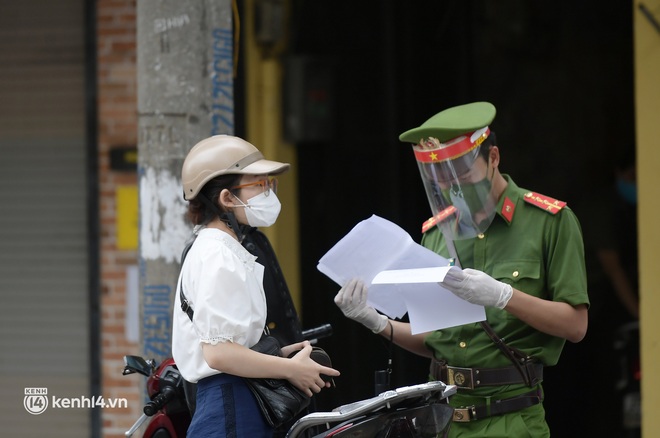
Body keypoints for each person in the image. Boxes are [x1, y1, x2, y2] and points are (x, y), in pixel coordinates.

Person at [334, 102, 589, 437]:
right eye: (439, 177)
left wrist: (503, 295)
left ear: (493, 157)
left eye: (462, 173)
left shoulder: (549, 222)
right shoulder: (436, 233)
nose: (452, 186)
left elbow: (575, 326)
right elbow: (437, 339)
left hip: (510, 417)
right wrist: (378, 322)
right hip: (443, 418)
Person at [172, 135, 339, 437]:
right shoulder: (217, 254)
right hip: (229, 405)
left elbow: (233, 345)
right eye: (258, 185)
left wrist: (284, 354)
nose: (268, 193)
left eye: (269, 185)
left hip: (239, 399)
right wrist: (292, 370)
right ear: (226, 198)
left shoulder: (224, 248)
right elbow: (219, 354)